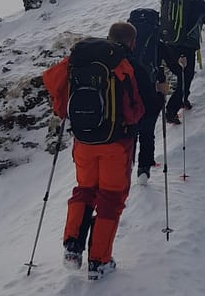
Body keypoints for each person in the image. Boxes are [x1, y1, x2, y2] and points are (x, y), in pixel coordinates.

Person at [42, 22, 152, 280]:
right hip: (116, 144)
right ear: (132, 42)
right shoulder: (126, 63)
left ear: (109, 36)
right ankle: (99, 261)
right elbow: (140, 108)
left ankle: (72, 246)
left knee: (85, 189)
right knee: (111, 199)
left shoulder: (80, 58)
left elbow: (52, 83)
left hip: (83, 142)